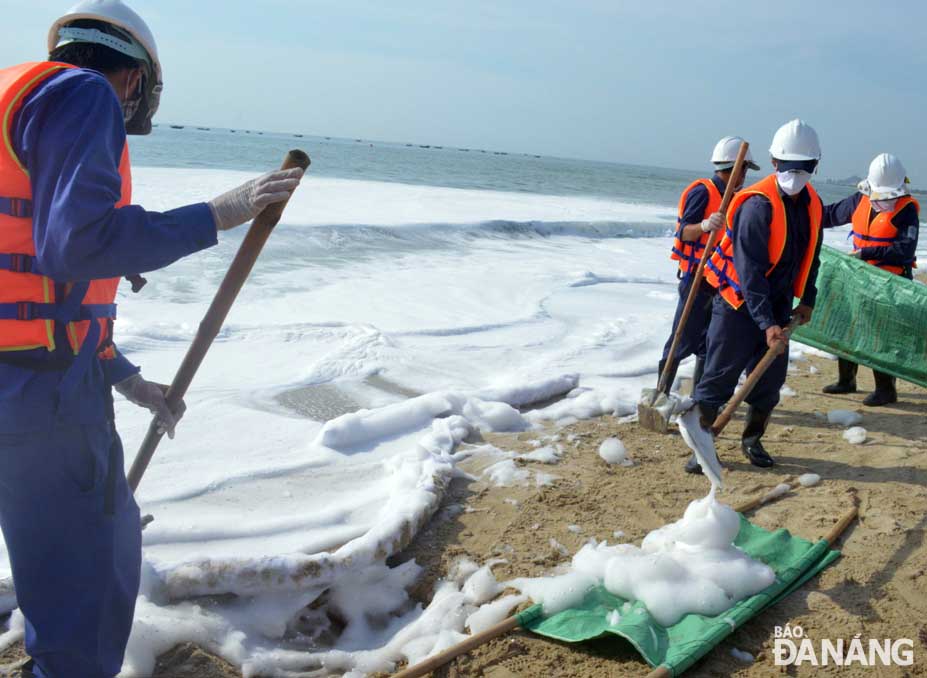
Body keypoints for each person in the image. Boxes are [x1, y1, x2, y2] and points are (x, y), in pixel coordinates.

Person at [0, 1, 303, 676]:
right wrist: (216, 215)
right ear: (134, 78)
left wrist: (123, 376)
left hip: (24, 381)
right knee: (89, 576)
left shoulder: (15, 95)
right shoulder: (84, 93)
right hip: (42, 395)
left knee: (54, 561)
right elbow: (76, 247)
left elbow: (35, 282)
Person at [688, 119, 824, 473]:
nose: (797, 174)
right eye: (789, 166)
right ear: (775, 163)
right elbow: (749, 273)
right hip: (737, 305)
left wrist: (807, 298)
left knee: (769, 381)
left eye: (804, 168)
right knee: (718, 377)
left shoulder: (813, 205)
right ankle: (701, 446)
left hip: (778, 306)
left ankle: (752, 439)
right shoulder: (756, 205)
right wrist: (766, 323)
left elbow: (812, 257)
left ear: (815, 167)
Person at [662, 136, 760, 400]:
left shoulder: (736, 197)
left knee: (709, 344)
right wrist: (705, 226)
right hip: (696, 278)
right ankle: (661, 392)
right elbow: (683, 232)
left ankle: (698, 398)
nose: (744, 177)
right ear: (735, 168)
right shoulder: (703, 191)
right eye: (744, 171)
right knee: (681, 340)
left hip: (718, 279)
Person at [821, 154, 920, 406]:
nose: (885, 201)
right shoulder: (859, 200)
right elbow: (828, 215)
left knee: (882, 335)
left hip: (889, 282)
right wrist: (799, 216)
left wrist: (866, 253)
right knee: (846, 325)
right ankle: (847, 381)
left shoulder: (907, 211)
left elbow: (904, 251)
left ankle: (886, 390)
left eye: (890, 196)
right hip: (857, 277)